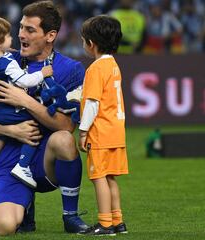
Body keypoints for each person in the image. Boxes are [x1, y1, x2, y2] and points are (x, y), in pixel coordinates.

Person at [0, 1, 91, 235]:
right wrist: (11, 131)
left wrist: (25, 101)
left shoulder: (71, 69)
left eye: (30, 30)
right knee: (3, 226)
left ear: (50, 35)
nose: (21, 34)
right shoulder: (3, 62)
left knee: (64, 139)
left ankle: (70, 216)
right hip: (10, 156)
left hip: (44, 155)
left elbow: (66, 125)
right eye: (21, 28)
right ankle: (25, 204)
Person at [0, 15, 53, 198]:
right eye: (7, 36)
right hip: (10, 109)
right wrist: (42, 73)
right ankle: (23, 167)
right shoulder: (7, 63)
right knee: (34, 126)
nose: (12, 38)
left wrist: (2, 50)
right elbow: (26, 81)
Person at [77, 15, 129, 236]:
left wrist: (82, 131)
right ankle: (118, 221)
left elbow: (92, 103)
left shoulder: (96, 68)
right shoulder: (113, 65)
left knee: (98, 178)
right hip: (116, 132)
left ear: (91, 43)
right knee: (110, 178)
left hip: (100, 133)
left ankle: (105, 224)